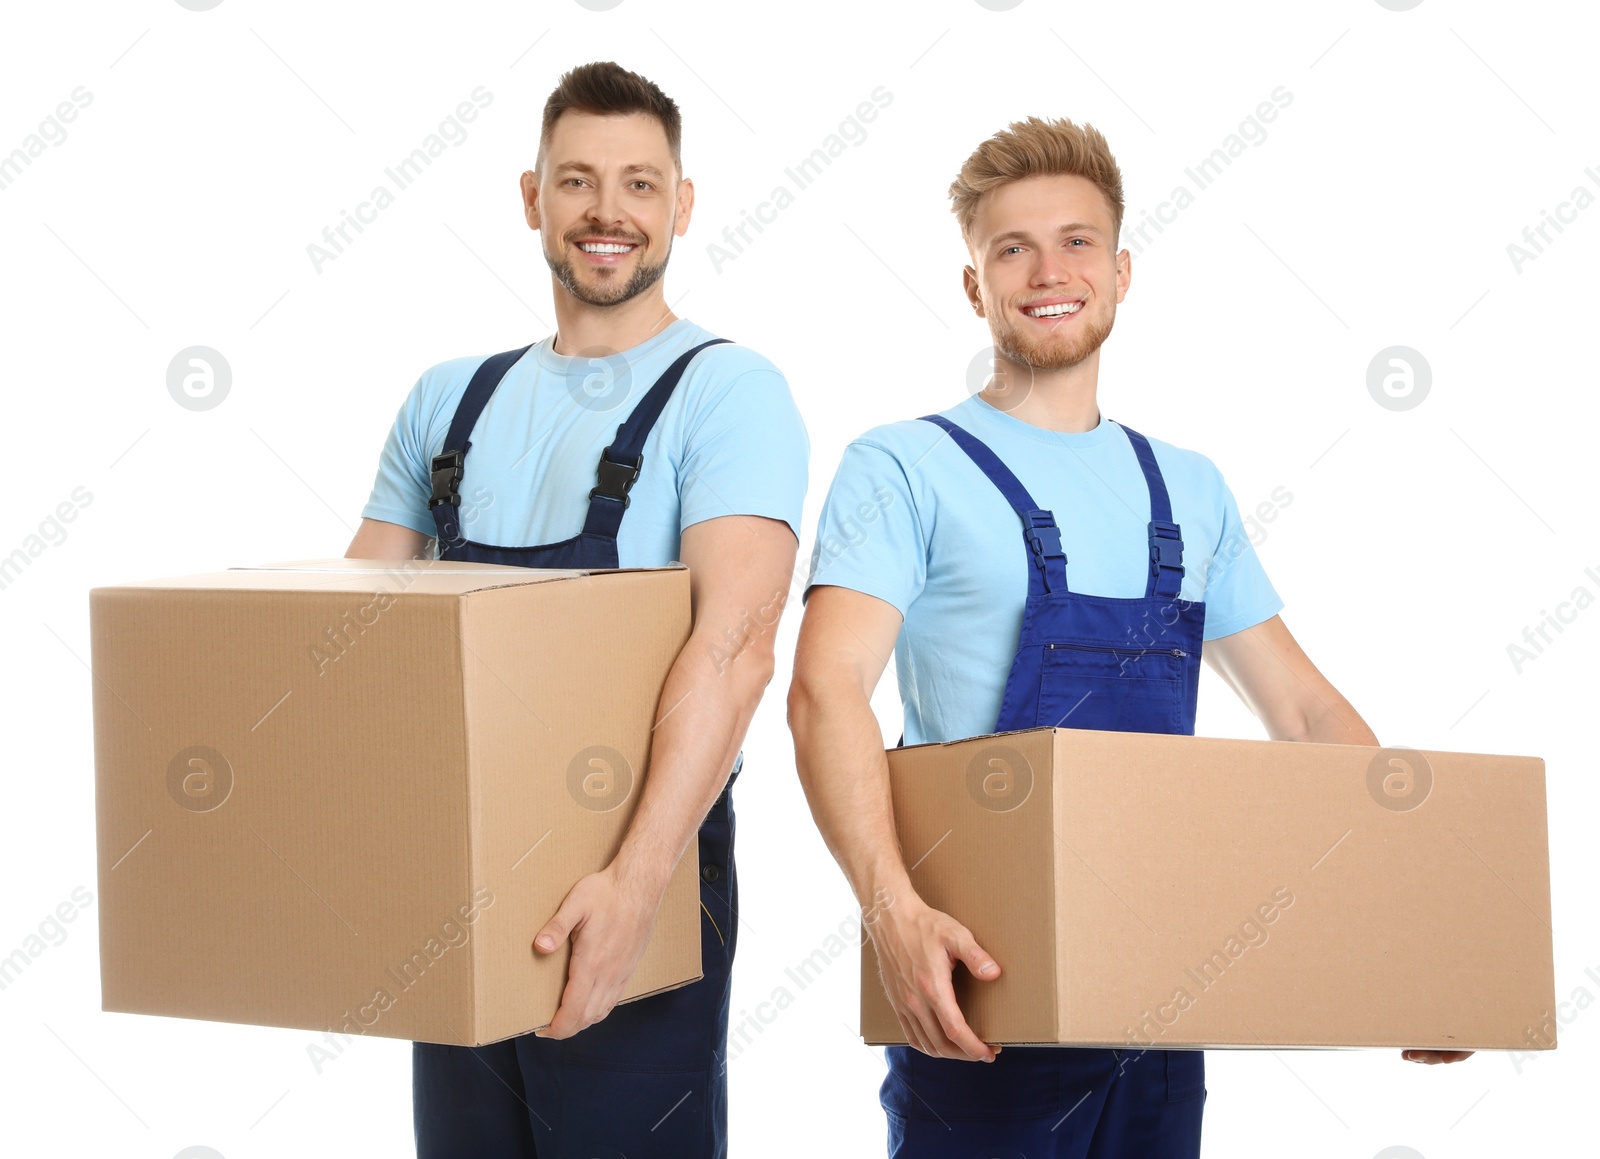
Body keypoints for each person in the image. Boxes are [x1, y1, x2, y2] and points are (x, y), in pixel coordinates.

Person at [786, 115, 1470, 1159]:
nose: (1046, 269)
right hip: (979, 998)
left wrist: (1409, 937)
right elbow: (825, 689)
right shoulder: (903, 467)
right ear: (973, 285)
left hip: (1162, 1002)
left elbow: (1304, 709)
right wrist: (890, 912)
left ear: (1121, 270)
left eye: (1075, 241)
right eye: (1009, 247)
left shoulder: (1187, 490)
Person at [347, 60, 808, 1158]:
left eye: (641, 185)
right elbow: (355, 634)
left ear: (681, 207)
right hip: (454, 879)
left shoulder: (728, 391)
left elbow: (735, 649)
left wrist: (637, 884)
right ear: (531, 198)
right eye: (578, 182)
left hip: (632, 861)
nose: (608, 212)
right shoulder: (449, 397)